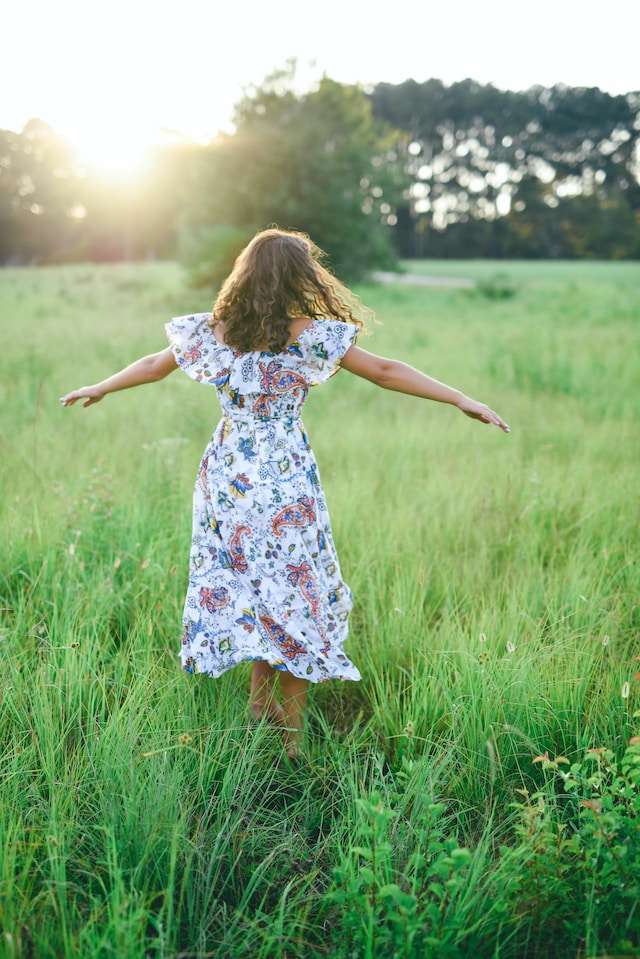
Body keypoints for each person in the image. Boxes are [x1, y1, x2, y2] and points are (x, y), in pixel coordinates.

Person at [60, 227, 510, 761]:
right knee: (294, 590)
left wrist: (101, 385)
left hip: (227, 476)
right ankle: (290, 741)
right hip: (282, 475)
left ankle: (258, 707)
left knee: (252, 585)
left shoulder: (214, 331)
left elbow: (153, 367)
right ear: (301, 277)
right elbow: (386, 372)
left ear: (243, 273)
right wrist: (461, 399)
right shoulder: (309, 333)